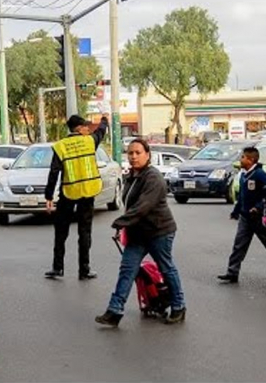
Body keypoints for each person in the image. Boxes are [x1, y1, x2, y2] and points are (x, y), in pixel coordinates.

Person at [95, 139, 186, 326]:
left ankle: (179, 306)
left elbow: (143, 207)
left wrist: (121, 222)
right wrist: (124, 226)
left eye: (138, 153)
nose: (134, 156)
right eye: (130, 153)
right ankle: (115, 310)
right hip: (137, 234)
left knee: (166, 268)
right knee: (127, 270)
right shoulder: (132, 176)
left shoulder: (153, 178)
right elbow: (130, 206)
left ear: (147, 155)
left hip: (159, 231)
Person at [44, 114, 108, 280]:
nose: (88, 129)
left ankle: (57, 268)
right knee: (84, 232)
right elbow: (101, 131)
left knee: (61, 231)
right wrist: (104, 120)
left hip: (68, 193)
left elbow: (54, 172)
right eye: (86, 126)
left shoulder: (61, 146)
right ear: (79, 128)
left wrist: (49, 195)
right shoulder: (89, 141)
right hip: (87, 192)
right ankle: (84, 270)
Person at [217, 147, 266, 284]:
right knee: (239, 245)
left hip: (259, 218)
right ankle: (232, 272)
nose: (241, 160)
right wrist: (236, 211)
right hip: (245, 217)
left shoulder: (260, 175)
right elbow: (242, 196)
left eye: (243, 157)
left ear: (251, 160)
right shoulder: (244, 175)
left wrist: (258, 207)